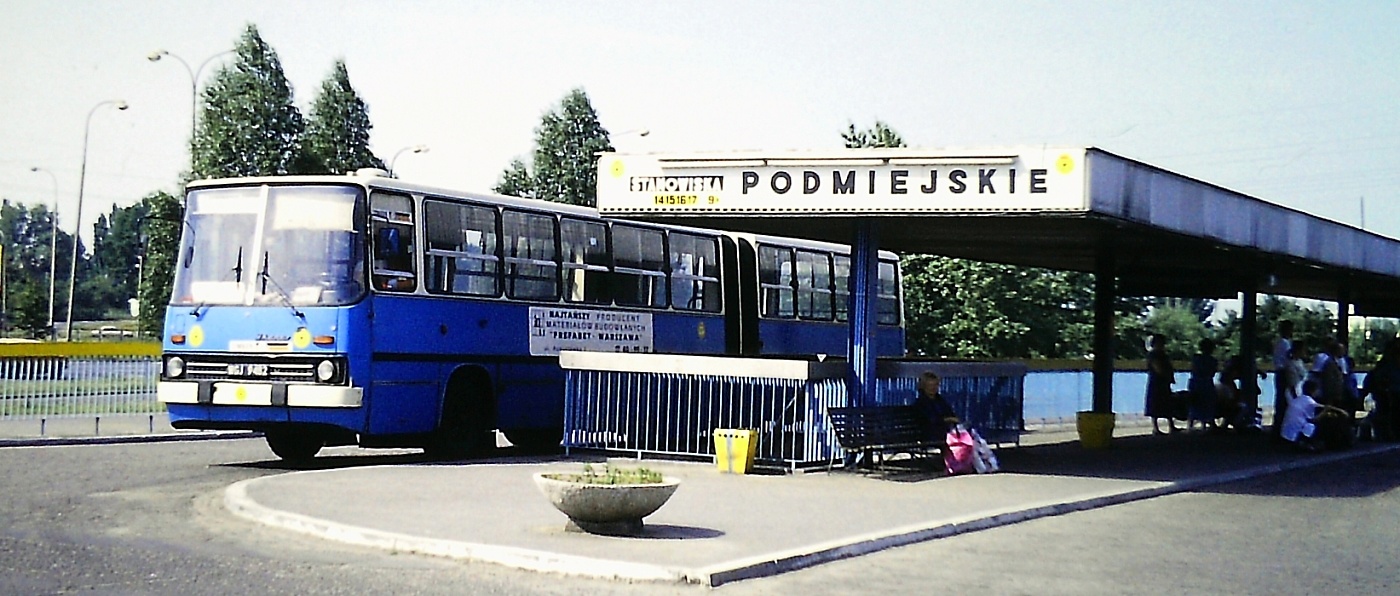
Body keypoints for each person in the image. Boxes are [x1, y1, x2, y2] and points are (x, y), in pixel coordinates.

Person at [1145, 333, 1179, 435]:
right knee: (1155, 403)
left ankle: (1171, 426)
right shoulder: (1154, 354)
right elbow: (1157, 367)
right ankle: (1156, 428)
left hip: (1162, 381)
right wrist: (1166, 375)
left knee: (1167, 403)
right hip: (1157, 381)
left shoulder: (1162, 354)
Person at [914, 371, 959, 442]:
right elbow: (930, 420)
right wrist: (949, 419)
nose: (933, 388)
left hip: (943, 433)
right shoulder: (921, 402)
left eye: (935, 385)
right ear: (924, 386)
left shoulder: (939, 400)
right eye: (930, 385)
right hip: (928, 434)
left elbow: (949, 412)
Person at [1187, 338, 1219, 432]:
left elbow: (1193, 369)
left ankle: (1191, 424)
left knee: (1194, 402)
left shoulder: (1195, 358)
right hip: (1206, 382)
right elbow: (1212, 372)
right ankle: (1205, 424)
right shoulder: (1213, 360)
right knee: (1207, 403)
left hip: (1195, 382)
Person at [1271, 320, 1295, 437]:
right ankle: (1280, 430)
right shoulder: (1285, 343)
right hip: (1284, 372)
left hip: (1280, 372)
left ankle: (1278, 429)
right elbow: (1288, 359)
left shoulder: (1279, 343)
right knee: (1284, 402)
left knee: (1281, 401)